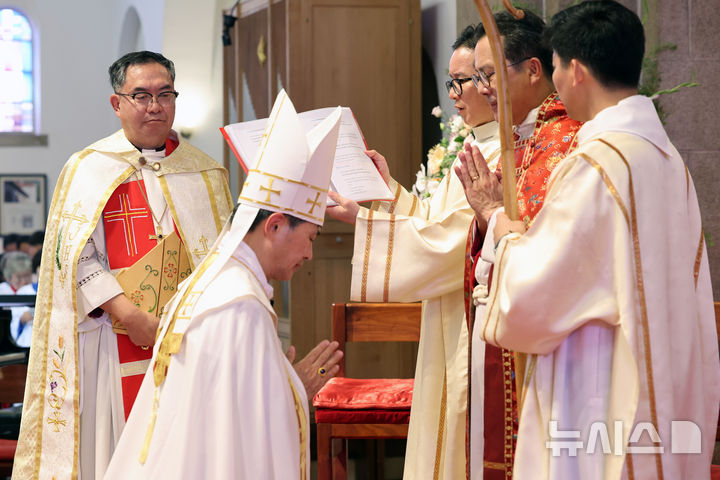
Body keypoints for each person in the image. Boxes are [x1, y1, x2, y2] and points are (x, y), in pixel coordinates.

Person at [457, 1, 720, 478]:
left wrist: (496, 220)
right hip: (663, 380)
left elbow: (536, 289)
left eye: (555, 66)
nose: (554, 81)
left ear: (575, 70)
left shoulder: (597, 165)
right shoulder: (667, 160)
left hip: (597, 386)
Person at [12, 51, 234, 480]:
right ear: (117, 104)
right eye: (141, 95)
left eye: (164, 94)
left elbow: (223, 259)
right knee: (117, 452)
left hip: (186, 342)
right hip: (111, 341)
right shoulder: (87, 170)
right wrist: (129, 315)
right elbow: (72, 258)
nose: (155, 106)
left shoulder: (206, 174)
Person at [105, 90, 344, 479]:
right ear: (276, 225)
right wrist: (297, 389)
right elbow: (242, 440)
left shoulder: (214, 283)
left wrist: (281, 380)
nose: (310, 255)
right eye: (312, 238)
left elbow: (223, 414)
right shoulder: (240, 304)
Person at [327, 25, 500, 479]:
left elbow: (455, 244)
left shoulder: (503, 155)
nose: (459, 93)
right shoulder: (474, 145)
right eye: (454, 82)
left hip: (472, 322)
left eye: (470, 79)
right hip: (447, 318)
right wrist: (389, 192)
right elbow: (433, 222)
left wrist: (360, 221)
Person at [453, 10, 583, 479]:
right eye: (477, 76)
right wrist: (483, 224)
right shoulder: (520, 141)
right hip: (507, 341)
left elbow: (552, 252)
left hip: (549, 352)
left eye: (488, 75)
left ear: (533, 69)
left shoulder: (569, 143)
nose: (482, 87)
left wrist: (492, 216)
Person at [0, 251, 34, 347]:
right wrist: (21, 320)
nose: (24, 281)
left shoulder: (33, 290)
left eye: (27, 275)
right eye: (19, 277)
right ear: (8, 277)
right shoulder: (2, 291)